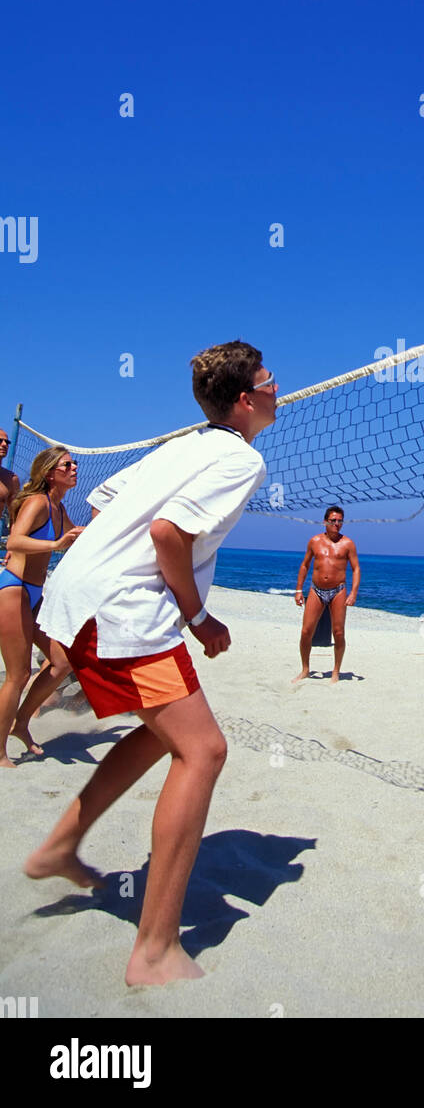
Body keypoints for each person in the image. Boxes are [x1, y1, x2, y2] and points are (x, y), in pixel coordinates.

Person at [25, 341, 277, 986]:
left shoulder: (183, 444)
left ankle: (59, 847)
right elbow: (169, 534)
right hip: (122, 615)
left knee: (160, 735)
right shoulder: (240, 458)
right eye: (271, 381)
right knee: (204, 751)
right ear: (246, 398)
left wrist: (99, 570)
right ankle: (156, 949)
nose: (282, 391)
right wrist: (199, 618)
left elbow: (106, 504)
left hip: (80, 598)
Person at [0, 447, 84, 765]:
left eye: (74, 463)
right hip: (14, 590)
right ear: (50, 473)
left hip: (35, 594)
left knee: (62, 661)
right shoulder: (37, 503)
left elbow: (79, 540)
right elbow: (14, 541)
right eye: (67, 464)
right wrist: (55, 544)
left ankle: (20, 723)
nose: (74, 467)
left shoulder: (59, 508)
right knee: (18, 675)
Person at [292, 506, 360, 683]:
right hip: (316, 589)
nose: (337, 524)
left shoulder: (348, 544)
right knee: (306, 631)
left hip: (338, 590)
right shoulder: (314, 541)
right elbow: (305, 565)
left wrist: (353, 592)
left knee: (338, 633)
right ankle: (305, 669)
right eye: (333, 521)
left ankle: (336, 671)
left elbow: (356, 568)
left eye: (339, 521)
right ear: (325, 522)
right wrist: (299, 590)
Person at [0, 428, 21, 536]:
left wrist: (13, 546)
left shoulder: (11, 479)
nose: (4, 444)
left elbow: (15, 517)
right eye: (0, 441)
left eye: (7, 442)